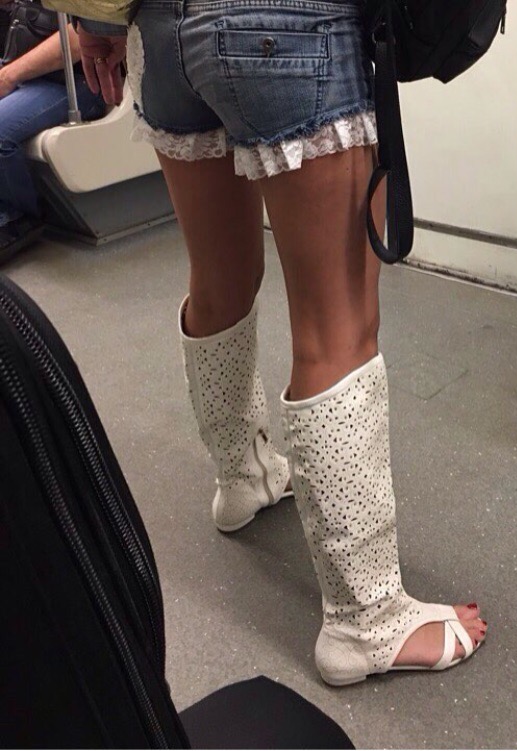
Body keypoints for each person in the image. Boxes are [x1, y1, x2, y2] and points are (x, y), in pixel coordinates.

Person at [73, 0, 488, 687]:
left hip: (162, 31)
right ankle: (366, 621)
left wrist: (95, 24)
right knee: (337, 324)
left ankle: (242, 477)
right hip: (286, 25)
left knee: (219, 278)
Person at [0, 1, 104, 263]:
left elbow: (78, 38)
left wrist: (8, 76)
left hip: (72, 82)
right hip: (28, 76)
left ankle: (15, 218)